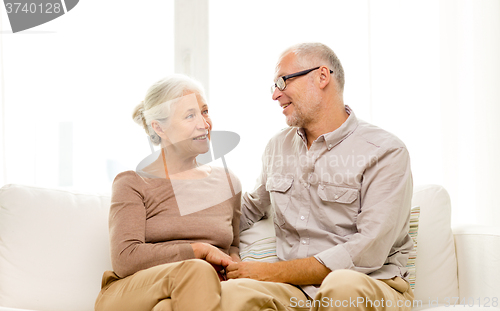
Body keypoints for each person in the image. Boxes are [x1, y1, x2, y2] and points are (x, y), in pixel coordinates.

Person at [221, 43, 414, 311]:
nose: (275, 94)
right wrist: (195, 232)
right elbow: (252, 207)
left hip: (370, 284)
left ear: (322, 77)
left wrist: (270, 272)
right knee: (231, 294)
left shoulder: (385, 151)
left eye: (282, 81)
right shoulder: (278, 146)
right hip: (296, 291)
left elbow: (368, 249)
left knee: (341, 287)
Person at [94, 74, 242, 311]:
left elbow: (232, 245)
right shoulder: (132, 183)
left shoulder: (227, 182)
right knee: (196, 269)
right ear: (159, 127)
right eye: (190, 115)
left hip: (201, 292)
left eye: (205, 112)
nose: (205, 124)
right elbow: (125, 258)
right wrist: (198, 251)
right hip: (131, 291)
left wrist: (236, 266)